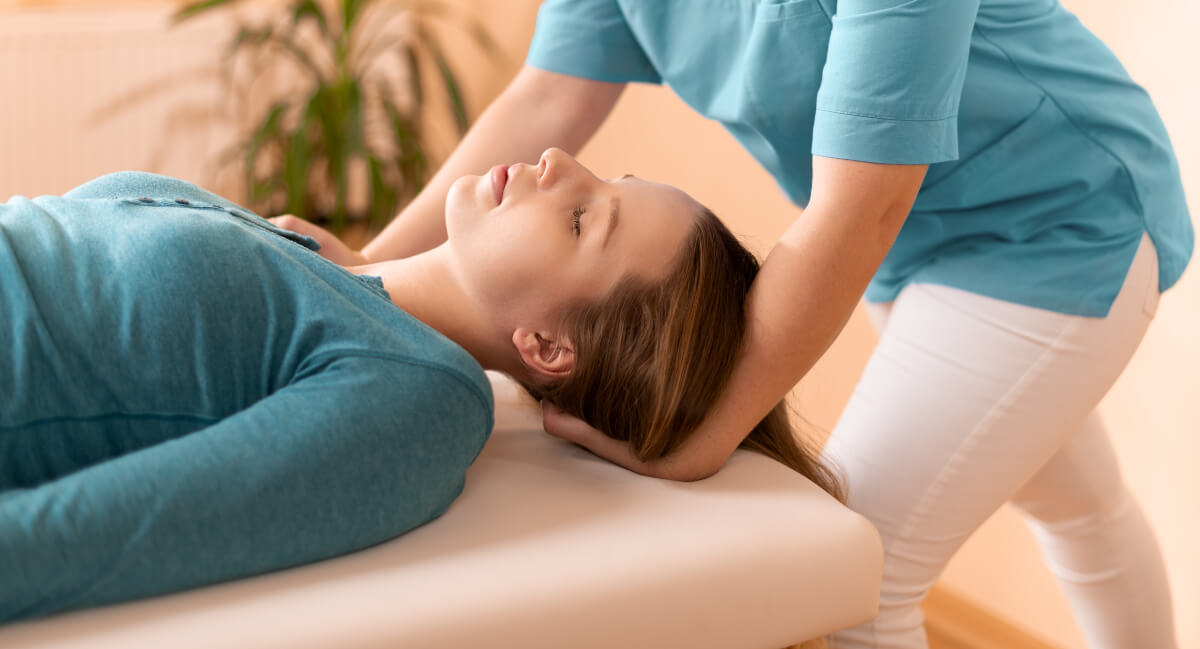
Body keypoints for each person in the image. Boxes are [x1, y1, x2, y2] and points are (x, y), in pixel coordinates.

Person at [277, 1, 1191, 647]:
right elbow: (548, 99)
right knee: (1080, 503)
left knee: (854, 581)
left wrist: (700, 438)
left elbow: (861, 203)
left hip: (1056, 223)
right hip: (915, 243)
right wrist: (368, 271)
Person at [0, 149, 841, 624]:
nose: (557, 163)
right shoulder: (314, 255)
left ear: (547, 346)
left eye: (583, 218)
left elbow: (137, 527)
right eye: (604, 176)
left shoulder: (419, 395)